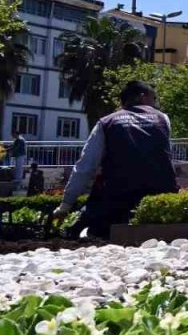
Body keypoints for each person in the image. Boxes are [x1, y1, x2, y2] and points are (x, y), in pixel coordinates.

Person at [52, 81, 179, 238]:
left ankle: (78, 228)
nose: (156, 104)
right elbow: (165, 156)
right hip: (162, 194)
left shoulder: (106, 122)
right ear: (143, 96)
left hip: (119, 196)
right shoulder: (163, 119)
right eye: (154, 98)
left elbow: (85, 167)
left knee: (100, 188)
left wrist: (66, 205)